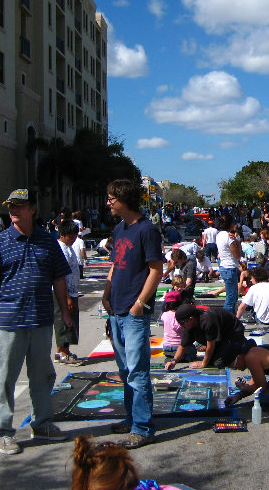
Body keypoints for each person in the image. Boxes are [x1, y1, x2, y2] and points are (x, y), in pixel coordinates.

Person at [0, 188, 73, 455]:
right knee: (5, 378)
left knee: (42, 376)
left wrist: (65, 312)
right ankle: (4, 432)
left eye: (20, 206)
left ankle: (42, 424)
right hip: (9, 320)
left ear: (32, 209)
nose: (14, 211)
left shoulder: (48, 241)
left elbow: (59, 278)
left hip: (41, 319)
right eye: (11, 207)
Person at [101, 179, 162, 450]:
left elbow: (156, 270)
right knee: (125, 370)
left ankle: (143, 427)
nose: (108, 202)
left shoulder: (147, 230)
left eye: (112, 197)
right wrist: (106, 292)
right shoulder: (119, 229)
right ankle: (131, 418)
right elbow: (116, 264)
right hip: (116, 309)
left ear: (124, 199)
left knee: (138, 372)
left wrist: (140, 303)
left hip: (134, 312)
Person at [164, 305, 245, 370]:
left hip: (233, 334)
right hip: (219, 336)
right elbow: (182, 346)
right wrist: (174, 361)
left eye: (181, 323)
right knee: (212, 359)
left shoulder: (207, 320)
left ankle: (244, 348)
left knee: (218, 363)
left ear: (191, 319)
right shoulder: (188, 326)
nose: (181, 326)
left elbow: (211, 345)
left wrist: (203, 364)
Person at [54, 220, 82, 364]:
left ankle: (62, 351)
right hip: (64, 292)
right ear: (62, 235)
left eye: (75, 236)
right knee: (64, 321)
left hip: (72, 290)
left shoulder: (68, 247)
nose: (73, 239)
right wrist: (67, 298)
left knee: (69, 320)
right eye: (70, 237)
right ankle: (63, 352)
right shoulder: (60, 249)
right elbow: (60, 276)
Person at [216, 214, 244, 312]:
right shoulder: (228, 237)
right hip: (230, 267)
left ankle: (228, 318)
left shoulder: (219, 235)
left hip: (224, 265)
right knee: (231, 298)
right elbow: (237, 254)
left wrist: (235, 239)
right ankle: (227, 318)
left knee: (231, 295)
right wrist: (235, 240)